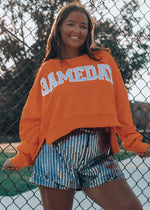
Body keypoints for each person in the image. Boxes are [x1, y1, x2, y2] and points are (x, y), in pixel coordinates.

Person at [2, 2, 150, 210]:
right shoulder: (48, 69)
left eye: (84, 26)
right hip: (55, 154)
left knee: (130, 207)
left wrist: (134, 142)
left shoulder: (103, 60)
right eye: (71, 24)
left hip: (98, 153)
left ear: (88, 32)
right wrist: (23, 156)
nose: (77, 30)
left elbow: (121, 105)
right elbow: (34, 118)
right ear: (59, 27)